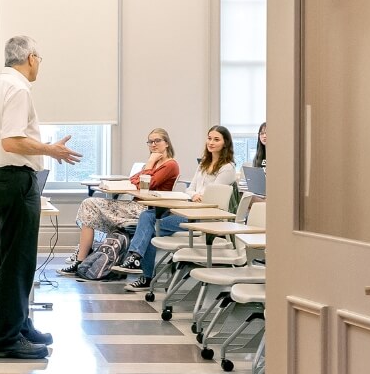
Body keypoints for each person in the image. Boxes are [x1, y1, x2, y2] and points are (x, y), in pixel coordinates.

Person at [0, 35, 83, 360]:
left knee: (8, 261)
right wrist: (50, 149)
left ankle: (18, 324)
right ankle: (6, 337)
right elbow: (12, 142)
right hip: (16, 179)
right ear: (31, 58)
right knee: (18, 262)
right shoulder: (18, 89)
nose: (39, 66)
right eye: (40, 60)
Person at [118, 125, 238, 292]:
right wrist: (195, 194)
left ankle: (146, 277)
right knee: (147, 215)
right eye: (209, 138)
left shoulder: (228, 168)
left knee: (152, 228)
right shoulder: (204, 163)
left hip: (204, 216)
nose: (211, 142)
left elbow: (214, 193)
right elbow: (190, 189)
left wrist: (198, 194)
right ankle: (135, 257)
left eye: (216, 139)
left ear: (225, 143)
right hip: (190, 208)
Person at [58, 128, 178, 275]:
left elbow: (145, 184)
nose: (153, 144)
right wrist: (145, 172)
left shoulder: (170, 165)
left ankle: (82, 258)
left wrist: (150, 163)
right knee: (88, 205)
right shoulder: (154, 165)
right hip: (135, 205)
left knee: (90, 205)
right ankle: (81, 259)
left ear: (167, 143)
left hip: (147, 209)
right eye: (150, 142)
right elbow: (133, 179)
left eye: (157, 141)